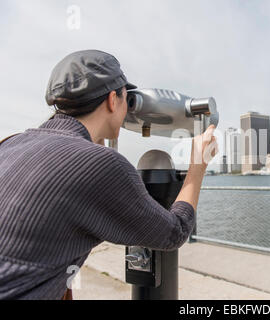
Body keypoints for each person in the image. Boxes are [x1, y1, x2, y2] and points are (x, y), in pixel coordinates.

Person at [0, 50, 218, 300]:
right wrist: (198, 165)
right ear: (113, 100)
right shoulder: (100, 164)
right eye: (127, 98)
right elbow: (174, 233)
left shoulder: (11, 144)